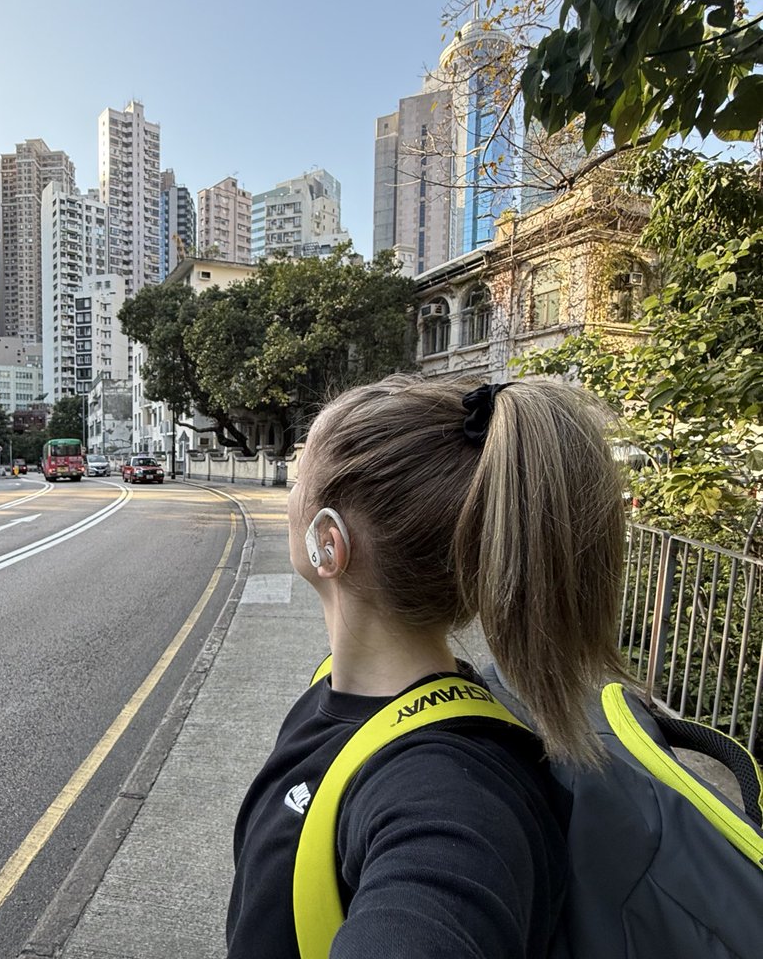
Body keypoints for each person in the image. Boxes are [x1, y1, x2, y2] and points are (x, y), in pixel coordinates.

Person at [226, 375, 627, 959]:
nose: (288, 489)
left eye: (296, 476)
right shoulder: (335, 692)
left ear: (327, 543)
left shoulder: (449, 804)